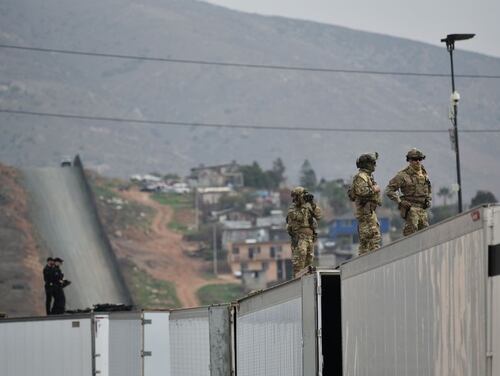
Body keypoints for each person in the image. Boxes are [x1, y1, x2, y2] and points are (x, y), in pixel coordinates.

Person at [385, 148, 432, 236]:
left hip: (422, 209)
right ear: (409, 160)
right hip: (411, 209)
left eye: (420, 159)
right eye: (414, 159)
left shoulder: (424, 174)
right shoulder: (402, 175)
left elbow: (429, 188)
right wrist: (400, 202)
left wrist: (428, 199)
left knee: (425, 235)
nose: (417, 161)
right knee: (411, 234)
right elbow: (389, 190)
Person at [349, 152, 382, 255]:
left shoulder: (367, 176)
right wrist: (375, 189)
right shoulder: (361, 177)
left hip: (369, 213)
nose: (374, 165)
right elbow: (362, 192)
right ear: (367, 164)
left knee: (371, 241)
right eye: (372, 163)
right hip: (365, 214)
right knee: (369, 240)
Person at [286, 186, 322, 276]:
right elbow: (299, 217)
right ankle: (297, 284)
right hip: (300, 239)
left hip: (310, 239)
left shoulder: (308, 207)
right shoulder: (292, 209)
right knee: (299, 265)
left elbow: (319, 216)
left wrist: (312, 204)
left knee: (309, 265)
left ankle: (307, 282)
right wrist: (303, 205)